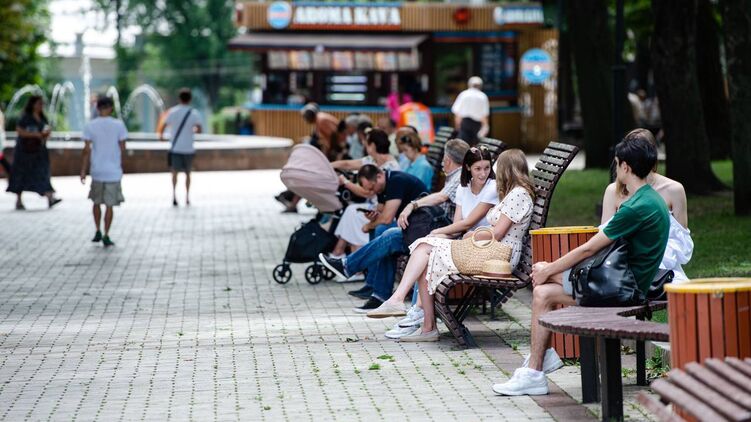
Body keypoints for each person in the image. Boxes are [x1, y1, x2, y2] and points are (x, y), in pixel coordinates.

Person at [492, 130, 669, 396]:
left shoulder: (636, 207)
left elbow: (590, 248)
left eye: (617, 163)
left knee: (542, 279)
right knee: (542, 292)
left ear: (625, 167)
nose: (615, 169)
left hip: (624, 290)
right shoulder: (650, 199)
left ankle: (536, 369)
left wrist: (550, 269)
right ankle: (538, 366)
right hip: (622, 281)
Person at [372, 149, 533, 343]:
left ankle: (407, 307)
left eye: (495, 168)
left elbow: (498, 233)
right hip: (488, 250)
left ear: (506, 170)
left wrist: (473, 234)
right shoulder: (513, 193)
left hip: (498, 257)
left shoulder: (518, 194)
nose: (493, 174)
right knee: (424, 250)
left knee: (424, 247)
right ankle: (422, 322)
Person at [320, 139, 470, 308]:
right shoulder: (455, 177)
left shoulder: (459, 177)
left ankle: (356, 273)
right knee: (387, 236)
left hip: (440, 232)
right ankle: (374, 290)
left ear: (448, 159)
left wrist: (412, 205)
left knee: (388, 235)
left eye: (443, 159)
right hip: (434, 229)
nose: (442, 163)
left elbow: (441, 198)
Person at [321, 164, 427, 312]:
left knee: (383, 231)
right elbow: (381, 213)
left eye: (371, 188)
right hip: (410, 229)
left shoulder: (396, 181)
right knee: (381, 232)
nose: (371, 192)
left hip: (421, 230)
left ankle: (355, 272)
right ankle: (375, 289)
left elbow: (387, 218)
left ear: (379, 176)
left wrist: (369, 225)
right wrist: (372, 219)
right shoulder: (382, 186)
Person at [601, 129, 692, 282]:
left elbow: (681, 243)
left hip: (664, 269)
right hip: (621, 267)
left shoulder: (674, 190)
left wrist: (650, 258)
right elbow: (604, 238)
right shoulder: (612, 191)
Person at [327, 129, 401, 259]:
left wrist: (346, 182)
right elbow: (347, 164)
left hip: (385, 210)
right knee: (352, 211)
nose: (364, 146)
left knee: (353, 212)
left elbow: (368, 192)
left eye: (366, 143)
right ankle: (341, 253)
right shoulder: (372, 160)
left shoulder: (391, 166)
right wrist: (327, 165)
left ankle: (344, 255)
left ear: (372, 145)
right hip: (374, 206)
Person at [80, 96, 128, 247]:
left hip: (97, 170)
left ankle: (97, 230)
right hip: (113, 171)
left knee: (96, 202)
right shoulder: (119, 125)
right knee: (109, 205)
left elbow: (86, 150)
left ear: (97, 108)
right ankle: (107, 234)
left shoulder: (90, 126)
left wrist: (83, 170)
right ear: (111, 108)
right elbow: (123, 148)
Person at [6, 95, 62, 210]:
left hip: (39, 152)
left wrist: (46, 135)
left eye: (42, 104)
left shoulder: (42, 117)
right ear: (33, 104)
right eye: (39, 103)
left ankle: (50, 197)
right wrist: (36, 134)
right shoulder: (26, 117)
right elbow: (19, 130)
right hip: (24, 152)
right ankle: (19, 200)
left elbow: (46, 132)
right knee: (21, 175)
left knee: (43, 173)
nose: (41, 106)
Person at [159, 88, 202, 206]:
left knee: (174, 173)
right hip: (188, 148)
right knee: (188, 173)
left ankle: (174, 195)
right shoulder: (193, 113)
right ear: (190, 99)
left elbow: (163, 126)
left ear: (179, 98)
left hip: (175, 148)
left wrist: (162, 138)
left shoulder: (173, 112)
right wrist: (191, 130)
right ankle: (187, 197)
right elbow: (199, 130)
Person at [451, 76, 490, 146]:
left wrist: (457, 126)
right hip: (477, 124)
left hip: (465, 123)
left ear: (469, 84)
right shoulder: (483, 96)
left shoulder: (463, 94)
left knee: (463, 146)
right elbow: (484, 115)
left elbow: (457, 112)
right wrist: (485, 127)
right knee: (475, 147)